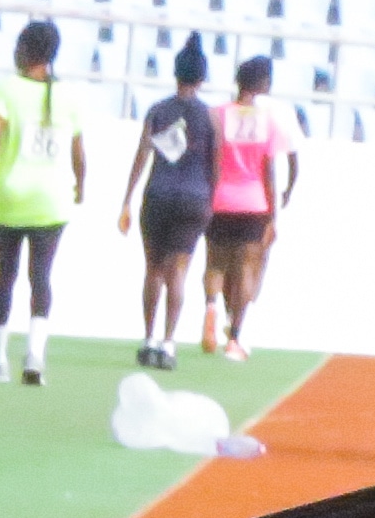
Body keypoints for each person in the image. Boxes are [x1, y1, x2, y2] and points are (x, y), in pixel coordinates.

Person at [0, 17, 90, 385]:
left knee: (5, 275)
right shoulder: (69, 96)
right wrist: (81, 186)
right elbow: (79, 152)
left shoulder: (6, 89)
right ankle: (35, 355)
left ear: (25, 51)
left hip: (9, 197)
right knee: (41, 277)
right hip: (51, 201)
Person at [202, 52, 300, 355]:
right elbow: (269, 171)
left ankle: (210, 306)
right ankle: (234, 336)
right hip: (253, 202)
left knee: (215, 262)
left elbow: (209, 159)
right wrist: (273, 213)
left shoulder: (216, 115)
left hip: (219, 199)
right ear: (262, 84)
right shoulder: (267, 121)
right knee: (246, 269)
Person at [126, 41, 216, 369]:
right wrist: (211, 201)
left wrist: (126, 198)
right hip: (194, 199)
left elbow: (142, 155)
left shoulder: (158, 111)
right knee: (178, 272)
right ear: (202, 77)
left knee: (152, 269)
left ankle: (148, 338)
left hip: (158, 195)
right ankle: (168, 342)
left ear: (176, 73)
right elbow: (214, 164)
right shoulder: (210, 117)